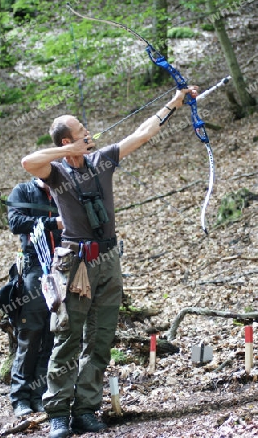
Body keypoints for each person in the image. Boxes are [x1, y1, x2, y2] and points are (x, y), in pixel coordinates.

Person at [21, 86, 198, 437]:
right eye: (81, 131)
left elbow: (142, 133)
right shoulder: (54, 172)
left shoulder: (102, 160)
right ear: (67, 139)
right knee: (68, 338)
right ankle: (57, 414)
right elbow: (27, 162)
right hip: (75, 264)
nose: (88, 133)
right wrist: (66, 151)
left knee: (100, 339)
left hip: (109, 259)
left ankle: (86, 409)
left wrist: (174, 103)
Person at [7, 177, 63, 417]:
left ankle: (41, 394)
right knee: (30, 332)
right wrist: (53, 223)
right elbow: (16, 222)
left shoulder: (64, 190)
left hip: (63, 266)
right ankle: (20, 397)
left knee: (53, 333)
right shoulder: (23, 191)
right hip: (33, 267)